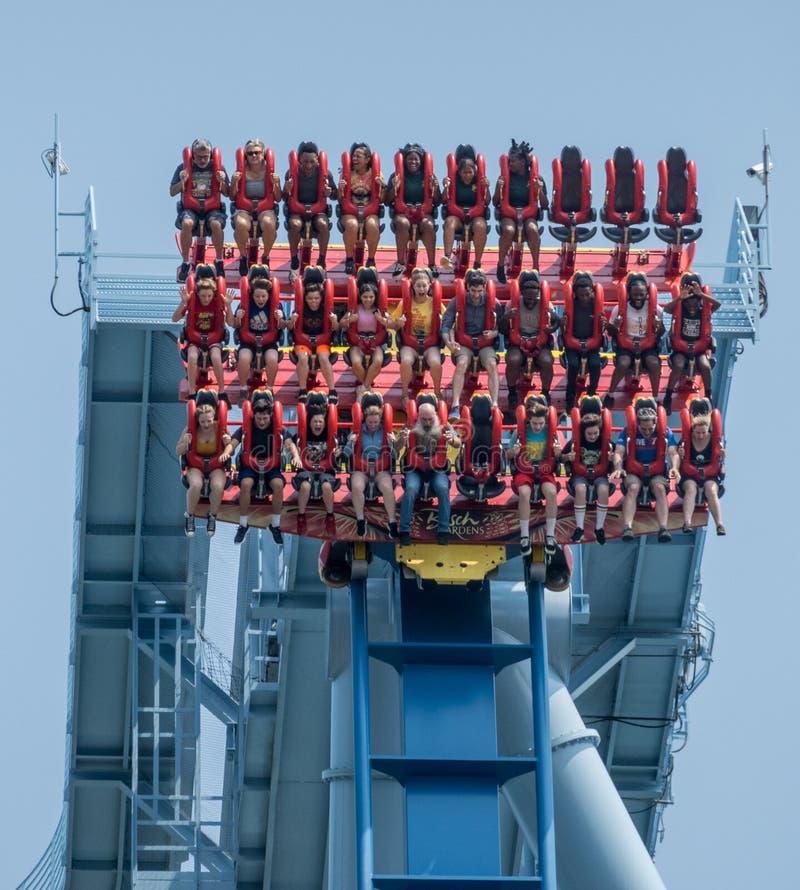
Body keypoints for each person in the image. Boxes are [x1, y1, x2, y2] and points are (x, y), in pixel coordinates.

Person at [221, 389, 292, 545]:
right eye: (259, 418)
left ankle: (275, 524)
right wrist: (227, 452)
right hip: (250, 467)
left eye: (265, 418)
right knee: (245, 484)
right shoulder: (248, 426)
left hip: (271, 466)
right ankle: (243, 523)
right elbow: (234, 443)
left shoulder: (276, 426)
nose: (261, 422)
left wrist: (295, 454)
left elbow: (289, 443)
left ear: (271, 416)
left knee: (278, 485)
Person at [609, 397, 680, 542]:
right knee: (633, 487)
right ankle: (628, 527)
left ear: (655, 423)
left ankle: (663, 528)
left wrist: (674, 467)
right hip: (634, 472)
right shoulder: (628, 431)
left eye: (650, 429)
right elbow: (619, 452)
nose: (647, 432)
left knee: (660, 488)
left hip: (657, 472)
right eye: (643, 429)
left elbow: (673, 452)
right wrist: (618, 468)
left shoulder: (665, 432)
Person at [395, 395, 461, 546]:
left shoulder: (443, 425)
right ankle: (404, 531)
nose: (427, 423)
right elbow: (396, 448)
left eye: (430, 419)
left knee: (443, 488)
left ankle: (443, 531)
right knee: (411, 489)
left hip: (437, 469)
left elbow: (458, 443)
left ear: (436, 416)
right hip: (415, 469)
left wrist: (452, 440)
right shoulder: (409, 425)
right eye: (423, 419)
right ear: (418, 416)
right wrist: (401, 440)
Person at [441, 268, 504, 418]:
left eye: (479, 291)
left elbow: (501, 327)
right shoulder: (457, 302)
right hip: (464, 343)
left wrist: (493, 333)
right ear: (468, 287)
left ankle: (494, 404)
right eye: (473, 290)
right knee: (462, 362)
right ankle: (455, 405)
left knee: (492, 364)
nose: (476, 295)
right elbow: (446, 325)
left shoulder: (493, 302)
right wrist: (449, 343)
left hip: (485, 343)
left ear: (484, 288)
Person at [506, 394, 561, 556]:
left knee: (551, 492)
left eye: (541, 423)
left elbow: (558, 456)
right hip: (525, 470)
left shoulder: (551, 432)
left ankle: (550, 535)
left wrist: (558, 453)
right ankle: (524, 536)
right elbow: (508, 454)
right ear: (529, 420)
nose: (538, 427)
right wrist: (513, 451)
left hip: (545, 470)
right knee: (524, 493)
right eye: (535, 423)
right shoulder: (520, 433)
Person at [661, 272, 721, 414]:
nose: (692, 303)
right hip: (680, 349)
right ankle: (668, 396)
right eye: (689, 300)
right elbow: (667, 309)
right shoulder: (679, 306)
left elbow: (717, 305)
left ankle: (708, 396)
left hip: (699, 348)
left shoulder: (704, 308)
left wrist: (702, 295)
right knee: (678, 366)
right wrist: (680, 298)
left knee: (705, 366)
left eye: (695, 300)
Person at [170, 138, 229, 281]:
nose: (202, 160)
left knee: (216, 224)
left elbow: (229, 193)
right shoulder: (182, 167)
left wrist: (222, 181)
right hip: (191, 208)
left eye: (206, 157)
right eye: (199, 157)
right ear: (193, 155)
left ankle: (219, 260)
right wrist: (182, 181)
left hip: (212, 208)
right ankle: (185, 262)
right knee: (187, 223)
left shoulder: (219, 167)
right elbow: (172, 191)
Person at [500, 269, 558, 413]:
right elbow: (502, 329)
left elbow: (557, 321)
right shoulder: (512, 304)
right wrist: (507, 318)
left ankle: (545, 392)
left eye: (534, 298)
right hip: (518, 342)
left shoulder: (546, 304)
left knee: (547, 360)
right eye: (528, 298)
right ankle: (512, 391)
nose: (531, 302)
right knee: (513, 359)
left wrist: (552, 328)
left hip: (540, 341)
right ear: (522, 293)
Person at [604, 272, 664, 407]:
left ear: (646, 293)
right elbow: (610, 331)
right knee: (623, 364)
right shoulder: (619, 309)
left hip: (647, 345)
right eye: (635, 294)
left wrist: (658, 326)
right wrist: (616, 326)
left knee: (654, 364)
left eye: (641, 294)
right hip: (626, 345)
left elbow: (661, 332)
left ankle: (655, 397)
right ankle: (610, 394)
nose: (638, 298)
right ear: (629, 293)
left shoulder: (656, 309)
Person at [176, 391, 231, 537]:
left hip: (216, 466)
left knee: (218, 486)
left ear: (214, 417)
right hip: (196, 466)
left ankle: (212, 516)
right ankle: (190, 516)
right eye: (202, 421)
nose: (206, 424)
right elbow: (178, 450)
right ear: (197, 420)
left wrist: (228, 443)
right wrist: (186, 443)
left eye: (209, 420)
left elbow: (231, 449)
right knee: (196, 485)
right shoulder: (189, 430)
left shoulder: (221, 428)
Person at [343, 392, 399, 538]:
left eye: (375, 422)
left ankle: (392, 522)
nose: (373, 425)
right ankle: (360, 520)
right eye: (370, 422)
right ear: (365, 420)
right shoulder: (358, 430)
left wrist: (393, 443)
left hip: (381, 469)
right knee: (356, 486)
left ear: (380, 419)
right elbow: (346, 454)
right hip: (361, 469)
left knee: (387, 488)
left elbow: (395, 456)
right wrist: (351, 442)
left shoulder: (385, 431)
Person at [493, 139, 548, 282]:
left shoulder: (536, 178)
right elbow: (495, 202)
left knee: (532, 229)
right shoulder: (505, 177)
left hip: (528, 214)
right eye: (509, 161)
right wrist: (499, 188)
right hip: (509, 213)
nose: (510, 164)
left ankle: (536, 266)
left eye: (513, 161)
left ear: (522, 162)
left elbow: (545, 204)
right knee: (509, 230)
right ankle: (500, 265)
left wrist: (539, 190)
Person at [388, 267, 444, 407]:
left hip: (430, 344)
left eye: (424, 286)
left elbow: (449, 322)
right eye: (418, 285)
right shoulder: (406, 302)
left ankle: (437, 392)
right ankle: (405, 394)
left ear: (429, 286)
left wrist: (443, 322)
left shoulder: (435, 302)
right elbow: (391, 323)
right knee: (406, 361)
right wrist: (398, 323)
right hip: (410, 343)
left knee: (435, 362)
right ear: (413, 286)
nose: (421, 289)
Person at [227, 269, 285, 403]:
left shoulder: (277, 305)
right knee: (244, 357)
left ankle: (269, 389)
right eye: (257, 296)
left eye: (263, 296)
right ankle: (243, 389)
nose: (260, 299)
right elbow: (233, 323)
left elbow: (283, 326)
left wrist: (280, 319)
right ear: (252, 295)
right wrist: (237, 316)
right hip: (249, 341)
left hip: (268, 342)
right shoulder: (245, 304)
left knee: (272, 359)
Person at [384, 143, 441, 278]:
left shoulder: (429, 176)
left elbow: (438, 201)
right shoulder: (396, 175)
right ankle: (400, 262)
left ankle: (432, 264)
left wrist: (434, 189)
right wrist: (395, 188)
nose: (413, 162)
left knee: (428, 225)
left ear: (421, 161)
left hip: (424, 212)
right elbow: (387, 201)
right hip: (403, 212)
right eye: (410, 159)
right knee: (402, 223)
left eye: (416, 159)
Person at [283, 141, 337, 283]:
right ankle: (294, 261)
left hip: (318, 210)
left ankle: (322, 260)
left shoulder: (325, 174)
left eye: (312, 161)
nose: (308, 165)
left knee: (323, 224)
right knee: (294, 225)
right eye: (305, 161)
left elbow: (336, 195)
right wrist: (286, 189)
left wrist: (329, 192)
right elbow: (283, 197)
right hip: (297, 210)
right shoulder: (291, 173)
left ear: (317, 160)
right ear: (299, 159)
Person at [560, 396, 611, 544]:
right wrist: (567, 457)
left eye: (595, 433)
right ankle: (579, 527)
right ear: (584, 432)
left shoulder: (604, 441)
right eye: (589, 434)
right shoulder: (576, 441)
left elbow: (619, 456)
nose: (593, 436)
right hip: (579, 475)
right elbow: (561, 458)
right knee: (581, 489)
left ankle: (599, 528)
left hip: (599, 474)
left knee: (603, 489)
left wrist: (615, 458)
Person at [290, 391, 341, 535]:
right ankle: (301, 517)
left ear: (325, 422)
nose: (318, 424)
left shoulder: (330, 433)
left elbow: (339, 449)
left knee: (326, 486)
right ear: (310, 421)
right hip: (306, 470)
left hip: (326, 471)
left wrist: (338, 454)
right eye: (315, 421)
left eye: (320, 421)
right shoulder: (304, 432)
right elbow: (292, 444)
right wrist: (296, 456)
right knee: (305, 485)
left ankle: (330, 517)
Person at [228, 138, 283, 275]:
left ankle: (266, 256)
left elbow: (278, 198)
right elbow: (232, 196)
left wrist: (276, 183)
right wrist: (234, 182)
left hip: (265, 208)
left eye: (257, 153)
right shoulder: (241, 171)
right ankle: (243, 256)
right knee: (240, 223)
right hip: (244, 208)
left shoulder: (270, 171)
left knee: (269, 223)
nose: (253, 156)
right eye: (250, 153)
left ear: (263, 154)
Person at [172, 269, 228, 399]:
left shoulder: (217, 303)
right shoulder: (192, 302)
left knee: (216, 357)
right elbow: (174, 318)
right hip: (194, 341)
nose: (206, 299)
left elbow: (229, 321)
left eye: (209, 296)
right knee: (192, 357)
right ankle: (192, 391)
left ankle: (221, 390)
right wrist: (183, 302)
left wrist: (228, 306)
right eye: (203, 296)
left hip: (214, 340)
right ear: (198, 294)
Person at [286, 268, 338, 403]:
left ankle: (332, 391)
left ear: (321, 298)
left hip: (322, 343)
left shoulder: (325, 309)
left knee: (323, 357)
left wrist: (334, 322)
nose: (313, 301)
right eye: (310, 298)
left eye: (316, 298)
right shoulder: (300, 308)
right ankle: (302, 391)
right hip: (303, 343)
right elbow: (290, 328)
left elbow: (335, 329)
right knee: (303, 358)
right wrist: (292, 321)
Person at [678, 397, 726, 535]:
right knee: (691, 488)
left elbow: (719, 458)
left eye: (703, 433)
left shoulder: (715, 440)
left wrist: (722, 455)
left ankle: (719, 524)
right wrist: (679, 452)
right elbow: (677, 452)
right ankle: (687, 522)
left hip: (710, 474)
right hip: (690, 474)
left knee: (711, 489)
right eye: (697, 433)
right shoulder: (686, 438)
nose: (700, 436)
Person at [440, 144, 491, 270]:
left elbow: (488, 201)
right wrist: (446, 187)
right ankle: (447, 257)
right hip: (457, 215)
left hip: (475, 215)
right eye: (464, 172)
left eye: (470, 172)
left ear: (474, 171)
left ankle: (477, 262)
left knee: (480, 225)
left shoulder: (479, 180)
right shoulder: (453, 180)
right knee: (449, 222)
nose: (467, 175)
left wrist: (486, 188)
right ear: (459, 171)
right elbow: (444, 200)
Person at [561, 271, 604, 416]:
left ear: (592, 291)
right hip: (573, 345)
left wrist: (607, 325)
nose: (585, 298)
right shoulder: (571, 306)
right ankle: (570, 397)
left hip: (592, 345)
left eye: (587, 294)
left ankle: (592, 391)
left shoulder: (596, 306)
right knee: (572, 364)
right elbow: (564, 328)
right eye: (581, 295)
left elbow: (604, 330)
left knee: (595, 364)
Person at [338, 142, 385, 275]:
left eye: (358, 156)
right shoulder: (347, 173)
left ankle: (371, 259)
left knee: (372, 225)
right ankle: (349, 259)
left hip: (369, 210)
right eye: (353, 156)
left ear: (367, 159)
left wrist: (382, 187)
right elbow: (340, 198)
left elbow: (382, 199)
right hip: (350, 210)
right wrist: (340, 189)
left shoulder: (375, 173)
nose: (355, 159)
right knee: (352, 225)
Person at [340, 273, 390, 396]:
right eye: (365, 297)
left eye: (371, 297)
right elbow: (340, 324)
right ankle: (367, 388)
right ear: (360, 297)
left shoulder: (379, 310)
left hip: (375, 342)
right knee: (356, 362)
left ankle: (363, 389)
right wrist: (349, 321)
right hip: (358, 342)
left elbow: (392, 324)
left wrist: (383, 320)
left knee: (378, 361)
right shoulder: (355, 309)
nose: (368, 300)